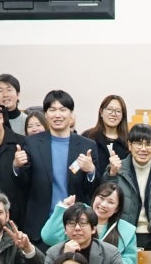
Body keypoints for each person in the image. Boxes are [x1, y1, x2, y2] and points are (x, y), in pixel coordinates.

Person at [22, 91, 100, 245]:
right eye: (52, 110)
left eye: (63, 109)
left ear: (71, 114)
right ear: (45, 114)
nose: (57, 115)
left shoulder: (87, 145)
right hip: (40, 225)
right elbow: (22, 184)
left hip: (76, 227)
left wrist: (91, 171)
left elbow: (93, 191)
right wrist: (17, 167)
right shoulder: (32, 143)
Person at [113, 122, 151, 248]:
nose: (143, 149)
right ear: (129, 145)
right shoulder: (117, 169)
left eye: (148, 144)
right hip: (123, 235)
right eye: (138, 143)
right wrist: (110, 175)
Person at [83, 93, 130, 177]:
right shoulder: (88, 137)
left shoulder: (128, 141)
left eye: (118, 111)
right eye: (109, 109)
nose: (113, 114)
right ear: (101, 112)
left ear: (123, 116)